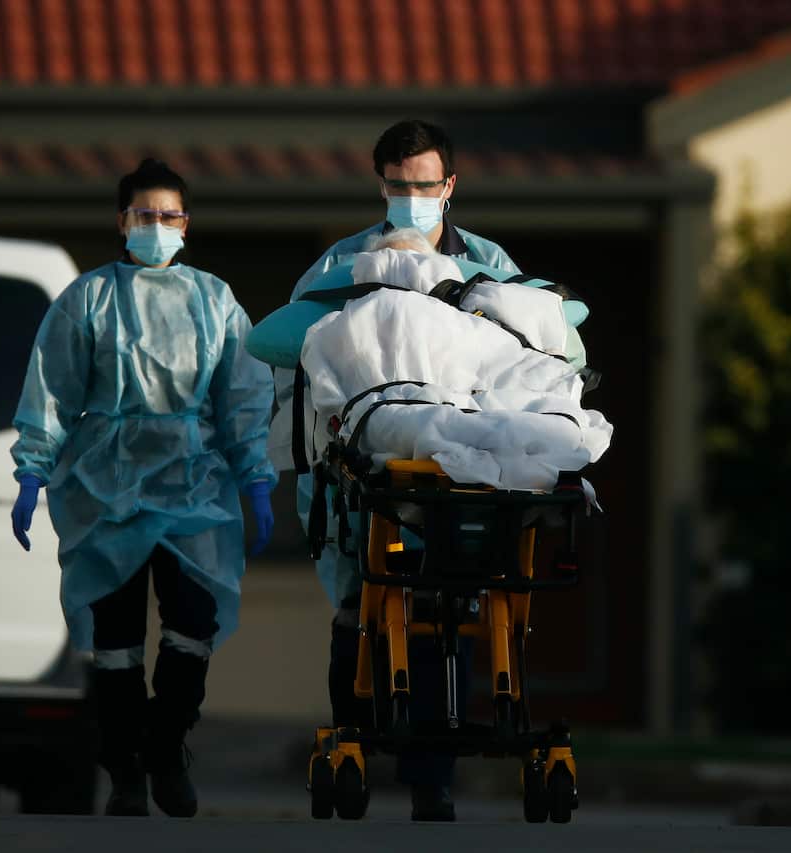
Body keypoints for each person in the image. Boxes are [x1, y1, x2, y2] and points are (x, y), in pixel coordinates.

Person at [9, 159, 277, 818]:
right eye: (143, 215)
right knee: (116, 639)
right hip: (108, 488)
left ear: (187, 223)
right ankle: (125, 768)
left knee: (193, 623)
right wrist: (31, 469)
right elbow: (53, 388)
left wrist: (257, 477)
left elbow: (242, 397)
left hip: (192, 486)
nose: (156, 227)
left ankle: (166, 744)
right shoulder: (88, 299)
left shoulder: (214, 301)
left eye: (168, 215)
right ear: (121, 221)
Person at [281, 120, 522, 823]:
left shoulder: (488, 266)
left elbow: (525, 352)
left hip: (456, 467)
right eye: (399, 185)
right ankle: (353, 742)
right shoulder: (343, 267)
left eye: (425, 185)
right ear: (380, 184)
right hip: (363, 472)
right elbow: (296, 361)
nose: (412, 197)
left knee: (449, 609)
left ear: (450, 185)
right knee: (361, 610)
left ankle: (431, 781)